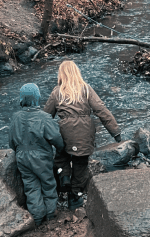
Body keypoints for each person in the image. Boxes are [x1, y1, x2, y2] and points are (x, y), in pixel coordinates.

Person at [44, 60, 121, 210]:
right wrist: (115, 132)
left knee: (61, 156)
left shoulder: (57, 92)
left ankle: (64, 176)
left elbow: (46, 116)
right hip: (84, 132)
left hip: (64, 131)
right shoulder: (86, 89)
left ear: (61, 75)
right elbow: (101, 110)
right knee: (81, 164)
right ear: (77, 73)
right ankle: (75, 197)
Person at [8, 83, 65, 226]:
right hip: (41, 158)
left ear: (22, 99)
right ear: (37, 97)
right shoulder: (45, 118)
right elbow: (56, 139)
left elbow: (11, 142)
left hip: (22, 157)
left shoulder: (15, 117)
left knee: (31, 187)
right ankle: (51, 214)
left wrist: (19, 152)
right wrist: (60, 150)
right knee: (48, 184)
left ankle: (38, 217)